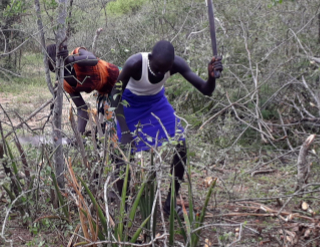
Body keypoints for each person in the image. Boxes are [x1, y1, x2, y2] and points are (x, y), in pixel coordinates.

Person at [112, 40, 222, 216]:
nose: (160, 73)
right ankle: (123, 205)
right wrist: (125, 131)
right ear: (150, 58)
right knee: (124, 153)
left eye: (164, 70)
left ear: (172, 64)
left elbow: (206, 90)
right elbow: (115, 95)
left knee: (181, 146)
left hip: (156, 102)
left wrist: (210, 77)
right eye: (156, 68)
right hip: (130, 103)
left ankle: (170, 202)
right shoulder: (135, 63)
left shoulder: (177, 64)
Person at [46, 43, 120, 135]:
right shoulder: (66, 83)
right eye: (53, 67)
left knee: (122, 128)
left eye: (55, 64)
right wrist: (78, 136)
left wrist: (69, 59)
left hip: (122, 81)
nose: (56, 69)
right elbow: (82, 108)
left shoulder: (77, 53)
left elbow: (93, 60)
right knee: (106, 134)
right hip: (105, 93)